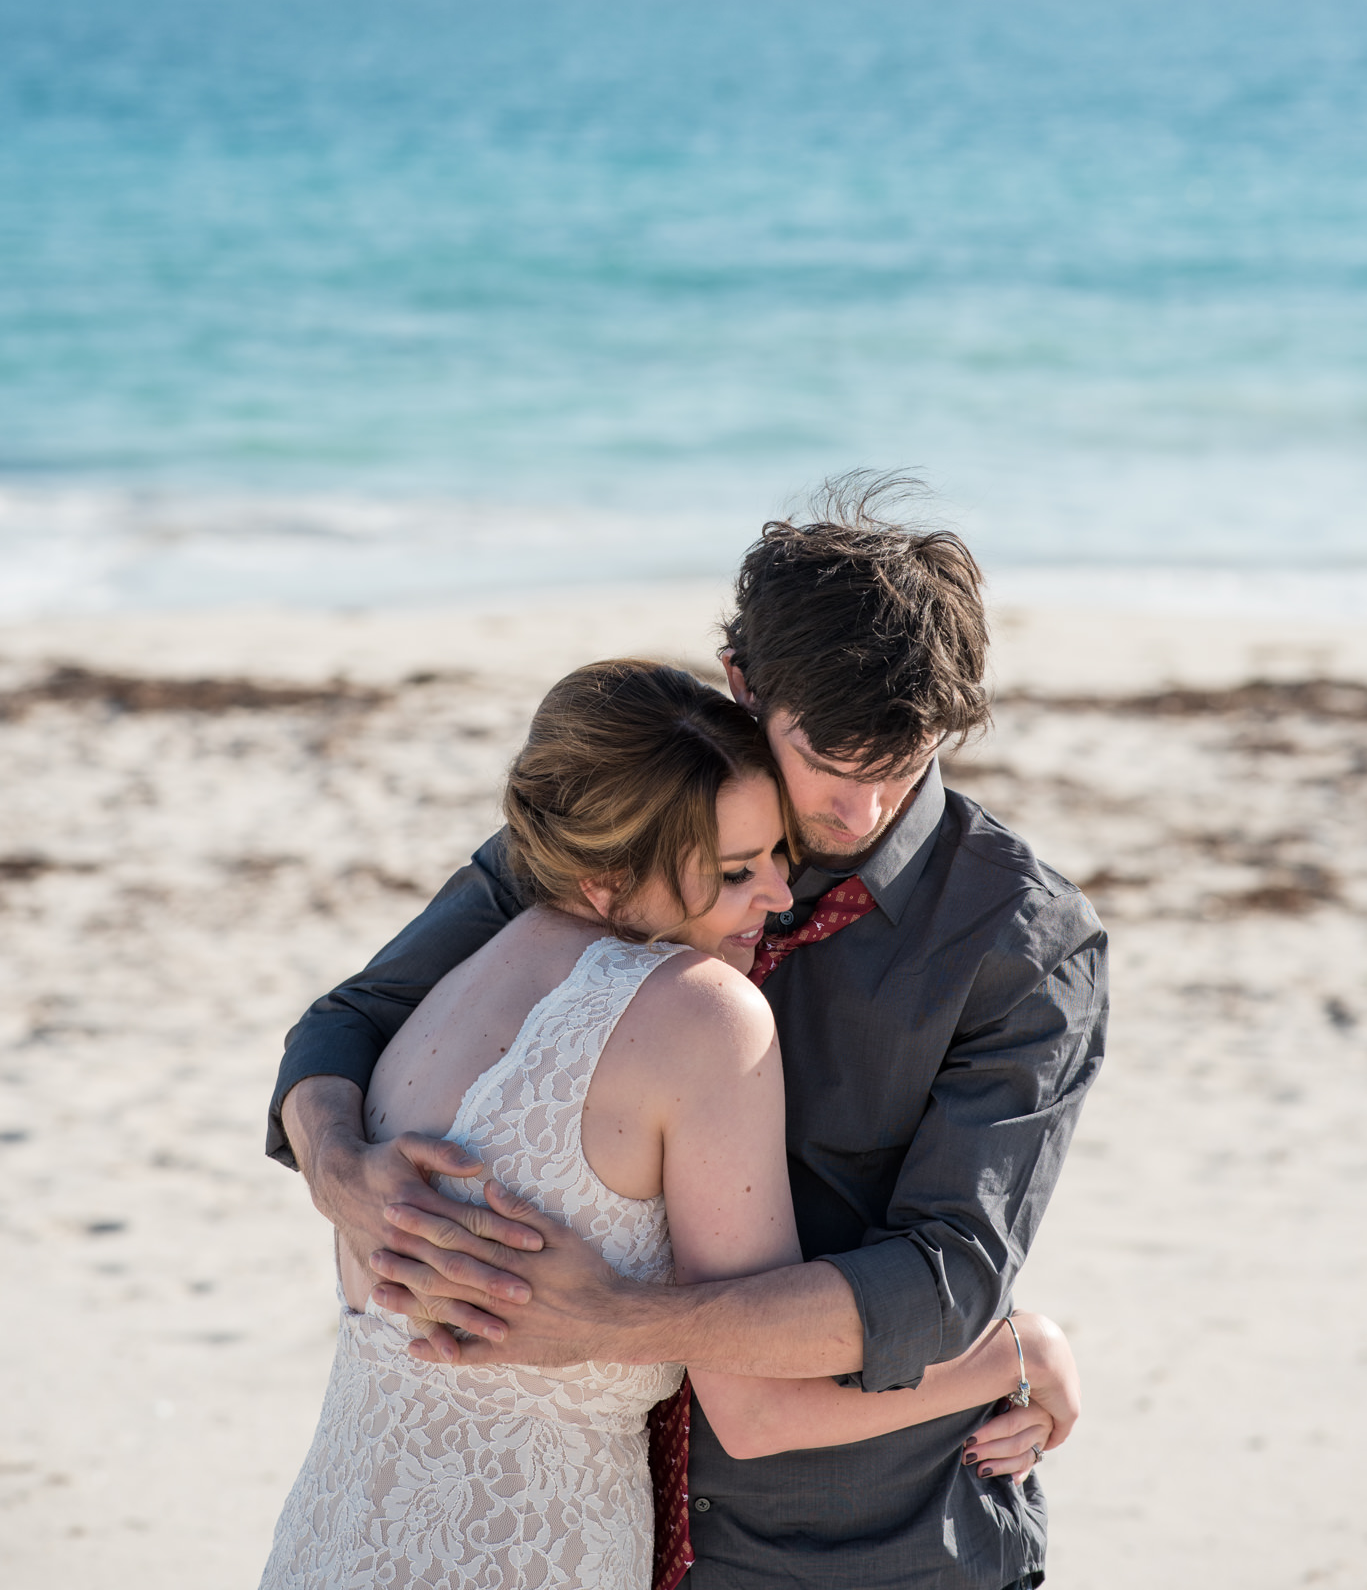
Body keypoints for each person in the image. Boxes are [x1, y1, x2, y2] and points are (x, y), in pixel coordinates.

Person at [270, 480, 1109, 1590]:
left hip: (858, 1540)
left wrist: (620, 1319)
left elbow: (946, 1273)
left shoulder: (1020, 942)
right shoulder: (633, 819)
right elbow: (351, 1018)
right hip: (592, 1517)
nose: (855, 813)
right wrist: (344, 1172)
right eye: (825, 756)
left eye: (897, 763)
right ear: (744, 686)